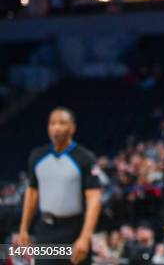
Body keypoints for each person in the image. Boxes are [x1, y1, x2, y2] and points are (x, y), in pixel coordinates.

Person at [17, 107, 102, 265]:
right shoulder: (37, 156)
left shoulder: (85, 157)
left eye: (62, 123)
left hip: (74, 231)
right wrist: (23, 229)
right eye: (52, 123)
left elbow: (94, 199)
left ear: (72, 128)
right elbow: (32, 193)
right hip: (45, 230)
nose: (56, 127)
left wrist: (85, 237)